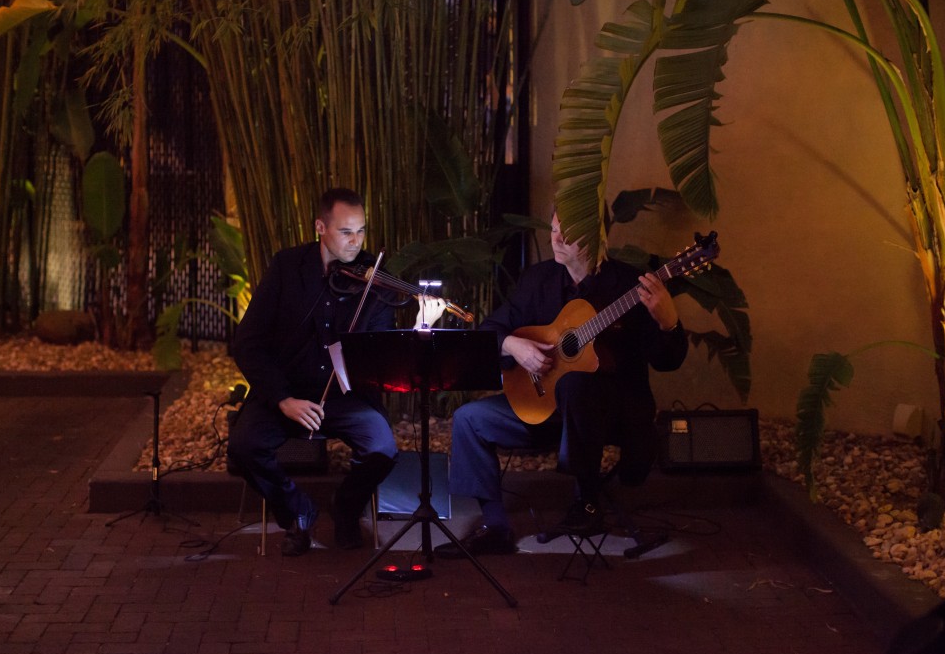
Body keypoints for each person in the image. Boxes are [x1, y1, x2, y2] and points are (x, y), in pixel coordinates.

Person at [436, 212, 688, 558]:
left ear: (594, 237)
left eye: (565, 234)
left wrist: (669, 323)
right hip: (549, 409)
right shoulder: (538, 279)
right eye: (553, 231)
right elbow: (489, 331)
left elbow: (667, 360)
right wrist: (514, 345)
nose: (555, 239)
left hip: (611, 415)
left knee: (576, 385)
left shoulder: (630, 285)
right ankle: (495, 527)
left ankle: (586, 502)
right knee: (469, 419)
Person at [228, 188, 443, 556]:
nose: (355, 242)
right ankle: (297, 512)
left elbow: (380, 354)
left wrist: (422, 324)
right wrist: (282, 399)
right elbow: (246, 343)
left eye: (361, 232)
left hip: (345, 397)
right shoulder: (286, 268)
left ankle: (345, 507)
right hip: (287, 393)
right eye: (346, 232)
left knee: (382, 449)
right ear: (319, 228)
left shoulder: (374, 281)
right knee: (244, 447)